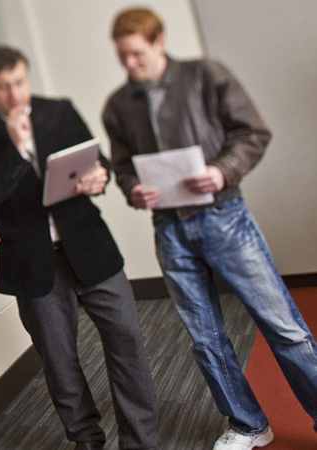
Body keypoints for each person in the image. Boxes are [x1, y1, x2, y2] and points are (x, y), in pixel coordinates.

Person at [103, 8, 317, 450]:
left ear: (159, 41)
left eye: (137, 54)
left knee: (283, 326)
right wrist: (133, 190)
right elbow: (122, 167)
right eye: (122, 56)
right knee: (205, 338)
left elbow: (253, 132)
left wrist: (223, 171)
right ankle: (248, 423)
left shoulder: (205, 75)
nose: (129, 65)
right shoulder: (118, 105)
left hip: (225, 219)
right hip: (169, 230)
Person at [0, 46, 159, 450]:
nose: (14, 95)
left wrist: (97, 178)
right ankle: (86, 438)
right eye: (2, 88)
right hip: (33, 262)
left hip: (90, 247)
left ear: (27, 78)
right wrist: (17, 149)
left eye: (19, 83)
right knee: (59, 360)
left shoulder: (59, 110)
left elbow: (96, 161)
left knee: (127, 342)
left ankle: (140, 441)